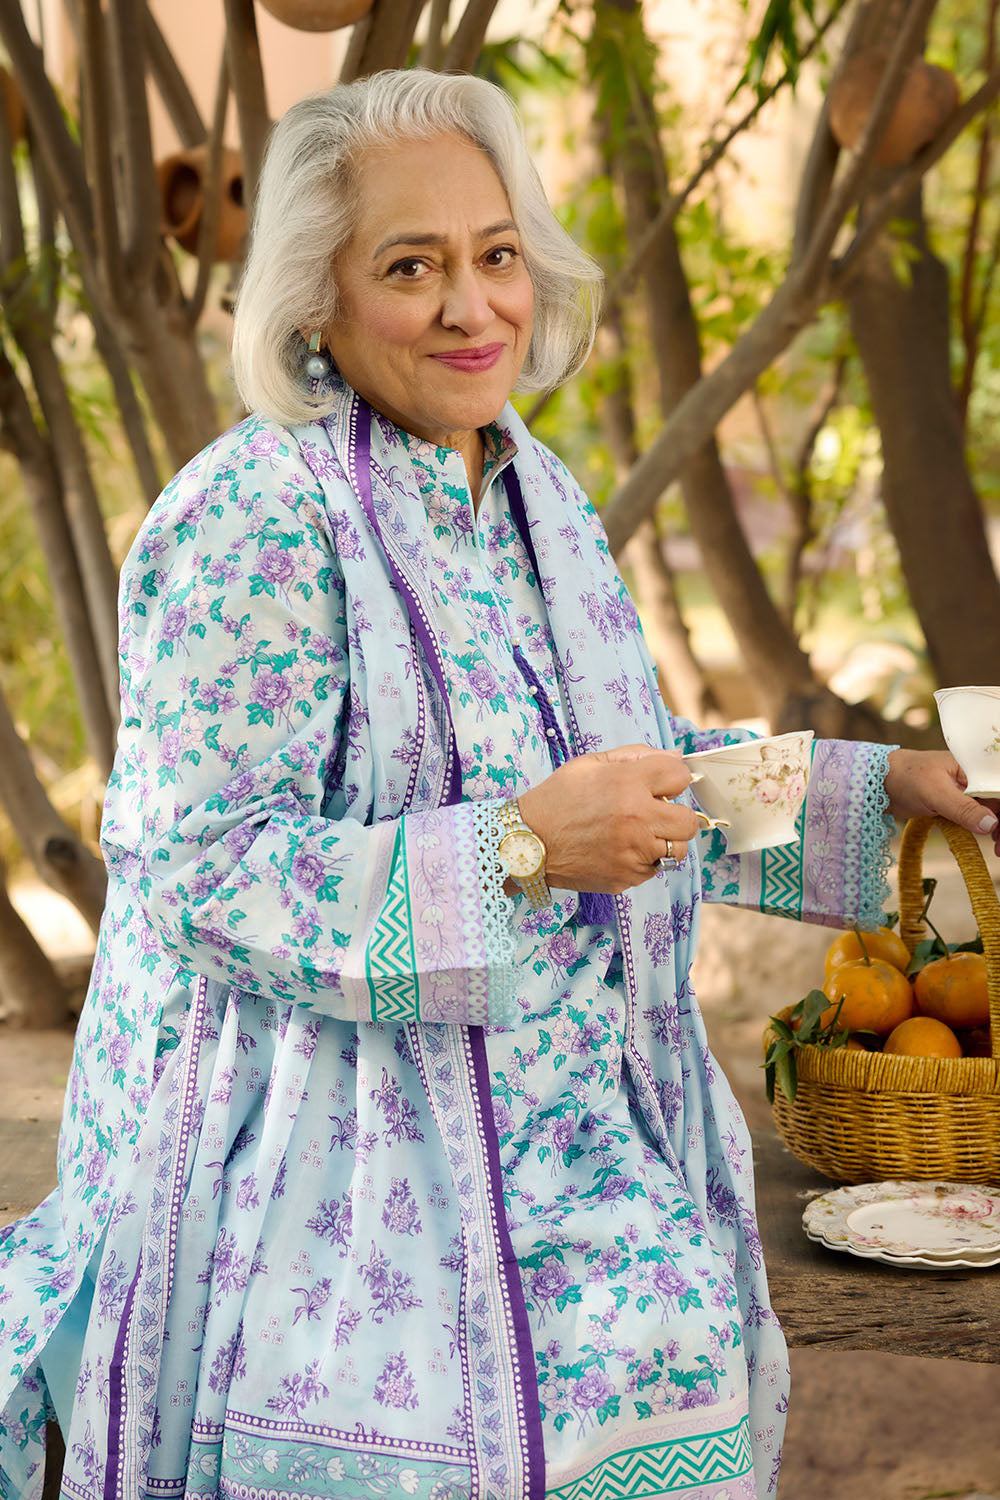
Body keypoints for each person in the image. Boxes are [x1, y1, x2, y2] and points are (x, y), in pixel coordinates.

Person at [0, 68, 995, 1500]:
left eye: (498, 255)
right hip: (336, 1179)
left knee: (669, 1385)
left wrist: (887, 786)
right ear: (314, 298)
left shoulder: (533, 494)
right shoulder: (252, 513)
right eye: (412, 266)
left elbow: (634, 786)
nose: (474, 308)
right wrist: (517, 849)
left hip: (575, 1138)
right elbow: (201, 871)